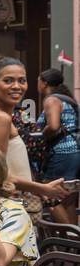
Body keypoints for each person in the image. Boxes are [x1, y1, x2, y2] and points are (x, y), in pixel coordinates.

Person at [0, 56, 67, 211]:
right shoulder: (0, 118)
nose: (16, 86)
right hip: (5, 205)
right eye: (8, 81)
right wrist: (42, 188)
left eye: (22, 80)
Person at [33, 68, 79, 225]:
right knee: (69, 200)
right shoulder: (67, 99)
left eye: (38, 81)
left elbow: (53, 126)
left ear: (44, 83)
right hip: (74, 151)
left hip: (60, 152)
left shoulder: (51, 100)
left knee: (51, 196)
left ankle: (67, 238)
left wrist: (39, 135)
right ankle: (73, 245)